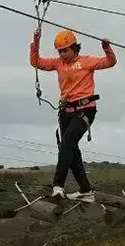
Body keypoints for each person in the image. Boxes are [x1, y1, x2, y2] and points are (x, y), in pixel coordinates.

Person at [30, 28, 116, 202]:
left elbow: (110, 62)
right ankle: (86, 190)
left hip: (85, 110)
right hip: (65, 111)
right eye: (60, 51)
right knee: (72, 149)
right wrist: (36, 41)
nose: (62, 54)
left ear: (74, 48)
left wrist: (106, 47)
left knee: (67, 144)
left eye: (65, 50)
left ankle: (58, 185)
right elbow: (36, 62)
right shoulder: (57, 64)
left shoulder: (87, 61)